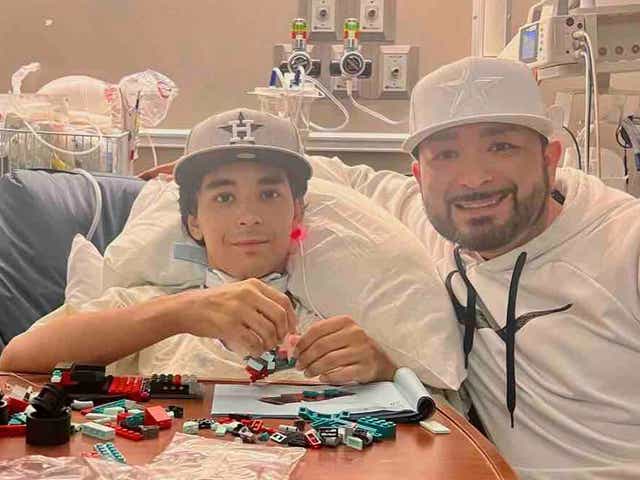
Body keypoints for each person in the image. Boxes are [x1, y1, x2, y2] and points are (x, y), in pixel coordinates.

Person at [309, 57, 640, 479]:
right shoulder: (428, 224)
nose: (473, 178)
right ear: (418, 177)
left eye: (501, 147)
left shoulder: (625, 245)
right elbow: (317, 175)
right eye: (446, 155)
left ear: (550, 158)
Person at [0, 108, 396, 385]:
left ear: (297, 213)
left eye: (268, 194)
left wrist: (383, 369)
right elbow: (18, 358)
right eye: (224, 198)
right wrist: (183, 313)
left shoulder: (330, 324)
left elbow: (413, 410)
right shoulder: (147, 309)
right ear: (193, 221)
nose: (248, 217)